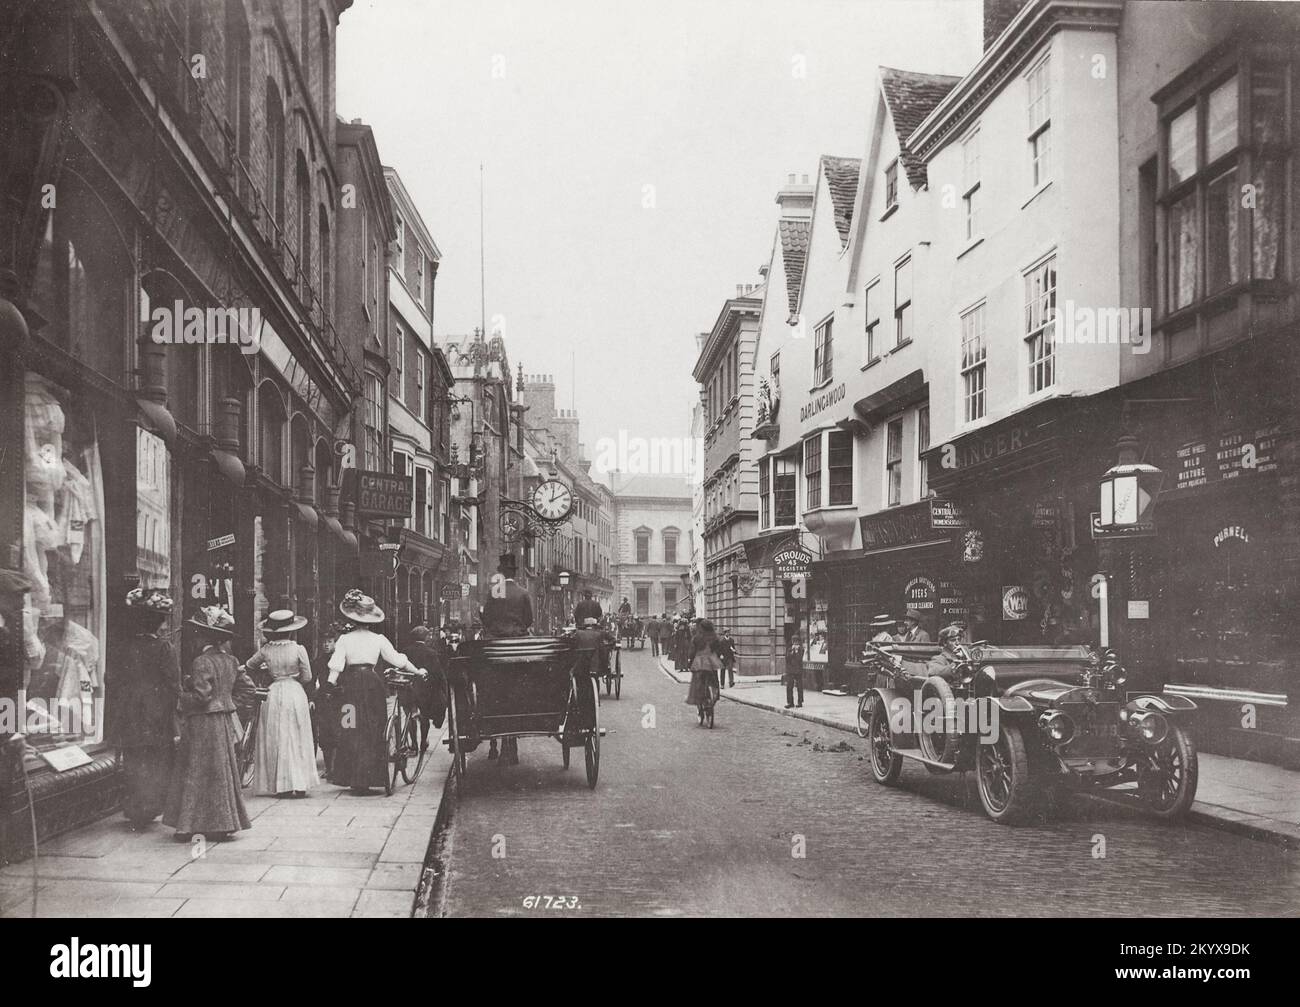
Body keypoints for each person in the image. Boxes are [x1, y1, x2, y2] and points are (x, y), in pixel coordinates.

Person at [163, 606, 251, 840]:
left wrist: (181, 696)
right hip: (222, 721)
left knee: (196, 771)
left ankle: (190, 825)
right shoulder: (230, 660)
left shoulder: (202, 661)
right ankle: (221, 823)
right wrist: (228, 704)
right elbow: (247, 689)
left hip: (202, 723)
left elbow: (201, 697)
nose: (194, 638)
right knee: (220, 772)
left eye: (197, 633)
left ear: (204, 636)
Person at [328, 589, 422, 793]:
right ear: (370, 620)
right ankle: (370, 777)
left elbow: (336, 665)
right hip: (372, 685)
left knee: (349, 726)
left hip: (350, 685)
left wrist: (330, 684)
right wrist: (418, 671)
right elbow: (398, 660)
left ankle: (351, 777)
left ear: (351, 619)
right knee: (374, 728)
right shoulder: (378, 639)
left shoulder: (344, 639)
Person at [112, 587, 180, 830]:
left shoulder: (125, 646)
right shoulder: (164, 648)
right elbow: (173, 683)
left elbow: (115, 677)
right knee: (155, 758)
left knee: (133, 755)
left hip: (129, 708)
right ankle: (150, 805)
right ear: (157, 623)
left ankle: (134, 806)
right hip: (156, 710)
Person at [243, 610, 319, 798]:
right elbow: (307, 676)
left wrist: (268, 672)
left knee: (277, 736)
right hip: (295, 692)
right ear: (291, 631)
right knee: (297, 735)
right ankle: (300, 784)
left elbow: (249, 665)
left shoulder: (267, 649)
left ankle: (282, 785)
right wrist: (294, 681)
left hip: (274, 692)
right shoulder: (298, 649)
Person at [481, 554, 531, 765]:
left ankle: (497, 741)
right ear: (515, 573)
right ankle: (512, 744)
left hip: (495, 645)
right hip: (519, 643)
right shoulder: (523, 593)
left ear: (501, 572)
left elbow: (487, 618)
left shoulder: (494, 593)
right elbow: (529, 620)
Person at [405, 625, 446, 751]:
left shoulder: (405, 650)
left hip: (408, 688)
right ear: (425, 637)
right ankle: (423, 741)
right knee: (424, 716)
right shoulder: (431, 653)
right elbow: (438, 674)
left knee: (410, 716)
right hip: (425, 690)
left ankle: (414, 744)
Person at [684, 618, 722, 725]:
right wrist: (716, 657)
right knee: (714, 680)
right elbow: (718, 649)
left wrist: (690, 662)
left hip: (699, 662)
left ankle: (699, 704)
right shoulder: (714, 637)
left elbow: (692, 652)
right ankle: (713, 698)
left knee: (697, 684)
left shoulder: (697, 638)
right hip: (711, 662)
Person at [785, 634, 804, 708]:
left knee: (799, 687)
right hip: (790, 671)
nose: (795, 644)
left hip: (798, 671)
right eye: (794, 642)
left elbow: (799, 659)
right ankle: (790, 702)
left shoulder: (801, 650)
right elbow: (787, 658)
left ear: (798, 642)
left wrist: (796, 651)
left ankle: (800, 702)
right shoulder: (789, 649)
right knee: (789, 687)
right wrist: (792, 652)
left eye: (796, 642)